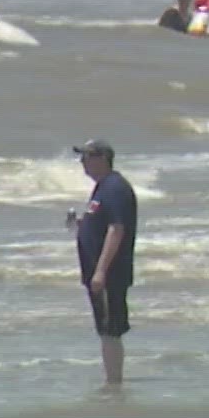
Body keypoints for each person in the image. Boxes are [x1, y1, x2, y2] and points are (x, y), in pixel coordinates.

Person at [71, 139, 137, 386]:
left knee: (110, 329)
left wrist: (100, 271)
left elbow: (117, 229)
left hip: (110, 273)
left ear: (101, 158)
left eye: (85, 157)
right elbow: (99, 225)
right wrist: (81, 226)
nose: (82, 163)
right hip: (98, 273)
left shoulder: (115, 187)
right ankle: (111, 380)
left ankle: (114, 384)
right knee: (104, 328)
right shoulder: (102, 188)